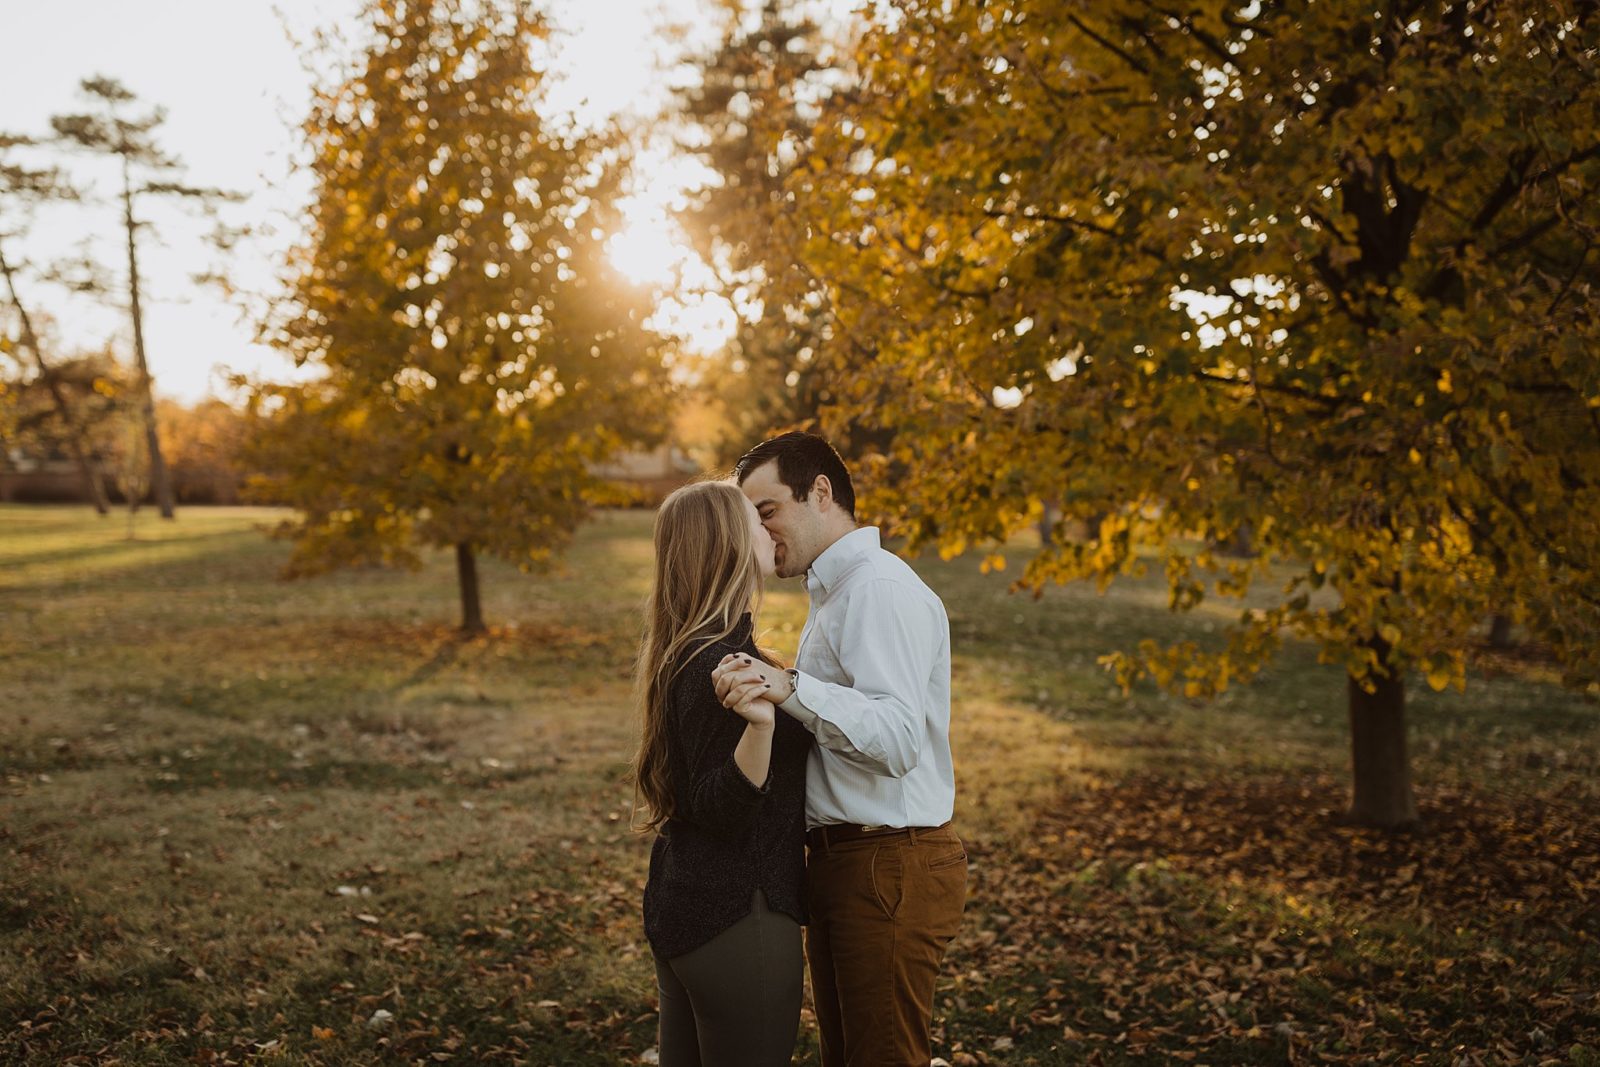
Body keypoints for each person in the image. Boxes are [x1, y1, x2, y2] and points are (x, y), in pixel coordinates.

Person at [712, 431, 967, 1067]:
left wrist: (791, 687)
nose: (760, 531)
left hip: (887, 863)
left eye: (767, 510)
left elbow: (900, 738)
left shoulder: (877, 589)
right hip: (846, 863)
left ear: (820, 492)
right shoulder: (836, 593)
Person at [629, 480, 812, 1067]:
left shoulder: (686, 649)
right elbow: (721, 808)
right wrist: (761, 728)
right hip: (738, 917)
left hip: (687, 907)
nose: (769, 528)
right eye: (755, 520)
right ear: (731, 544)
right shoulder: (720, 664)